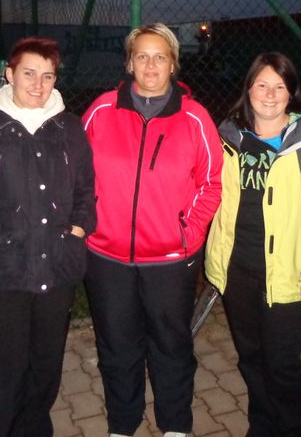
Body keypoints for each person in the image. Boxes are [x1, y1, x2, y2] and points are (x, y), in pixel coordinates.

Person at [0, 37, 96, 436]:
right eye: (29, 73)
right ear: (9, 74)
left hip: (56, 269)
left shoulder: (69, 127)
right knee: (6, 373)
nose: (38, 84)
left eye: (48, 76)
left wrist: (78, 229)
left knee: (45, 369)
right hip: (4, 272)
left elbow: (87, 188)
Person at [82, 23, 223, 437]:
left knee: (170, 346)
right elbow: (76, 173)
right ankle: (122, 424)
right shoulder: (102, 110)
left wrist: (186, 232)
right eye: (141, 56)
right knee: (116, 346)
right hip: (106, 256)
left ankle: (175, 424)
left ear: (173, 64)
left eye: (160, 56)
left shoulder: (195, 118)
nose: (150, 65)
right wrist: (87, 221)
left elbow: (212, 183)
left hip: (170, 259)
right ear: (129, 63)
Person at [205, 52, 301, 436]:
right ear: (248, 89)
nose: (269, 94)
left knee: (282, 363)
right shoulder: (227, 138)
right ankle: (262, 427)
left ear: (290, 93)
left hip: (288, 274)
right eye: (262, 84)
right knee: (250, 358)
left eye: (279, 86)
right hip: (237, 270)